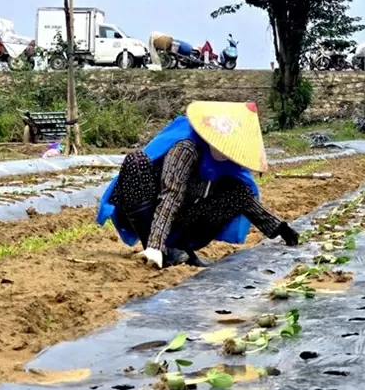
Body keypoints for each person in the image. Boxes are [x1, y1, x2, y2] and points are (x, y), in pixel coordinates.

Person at [97, 101, 299, 270]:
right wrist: (155, 246)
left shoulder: (229, 168)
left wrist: (281, 228)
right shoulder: (186, 149)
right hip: (147, 211)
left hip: (182, 221)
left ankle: (180, 248)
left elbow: (246, 199)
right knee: (136, 161)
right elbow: (171, 195)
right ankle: (158, 250)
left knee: (238, 191)